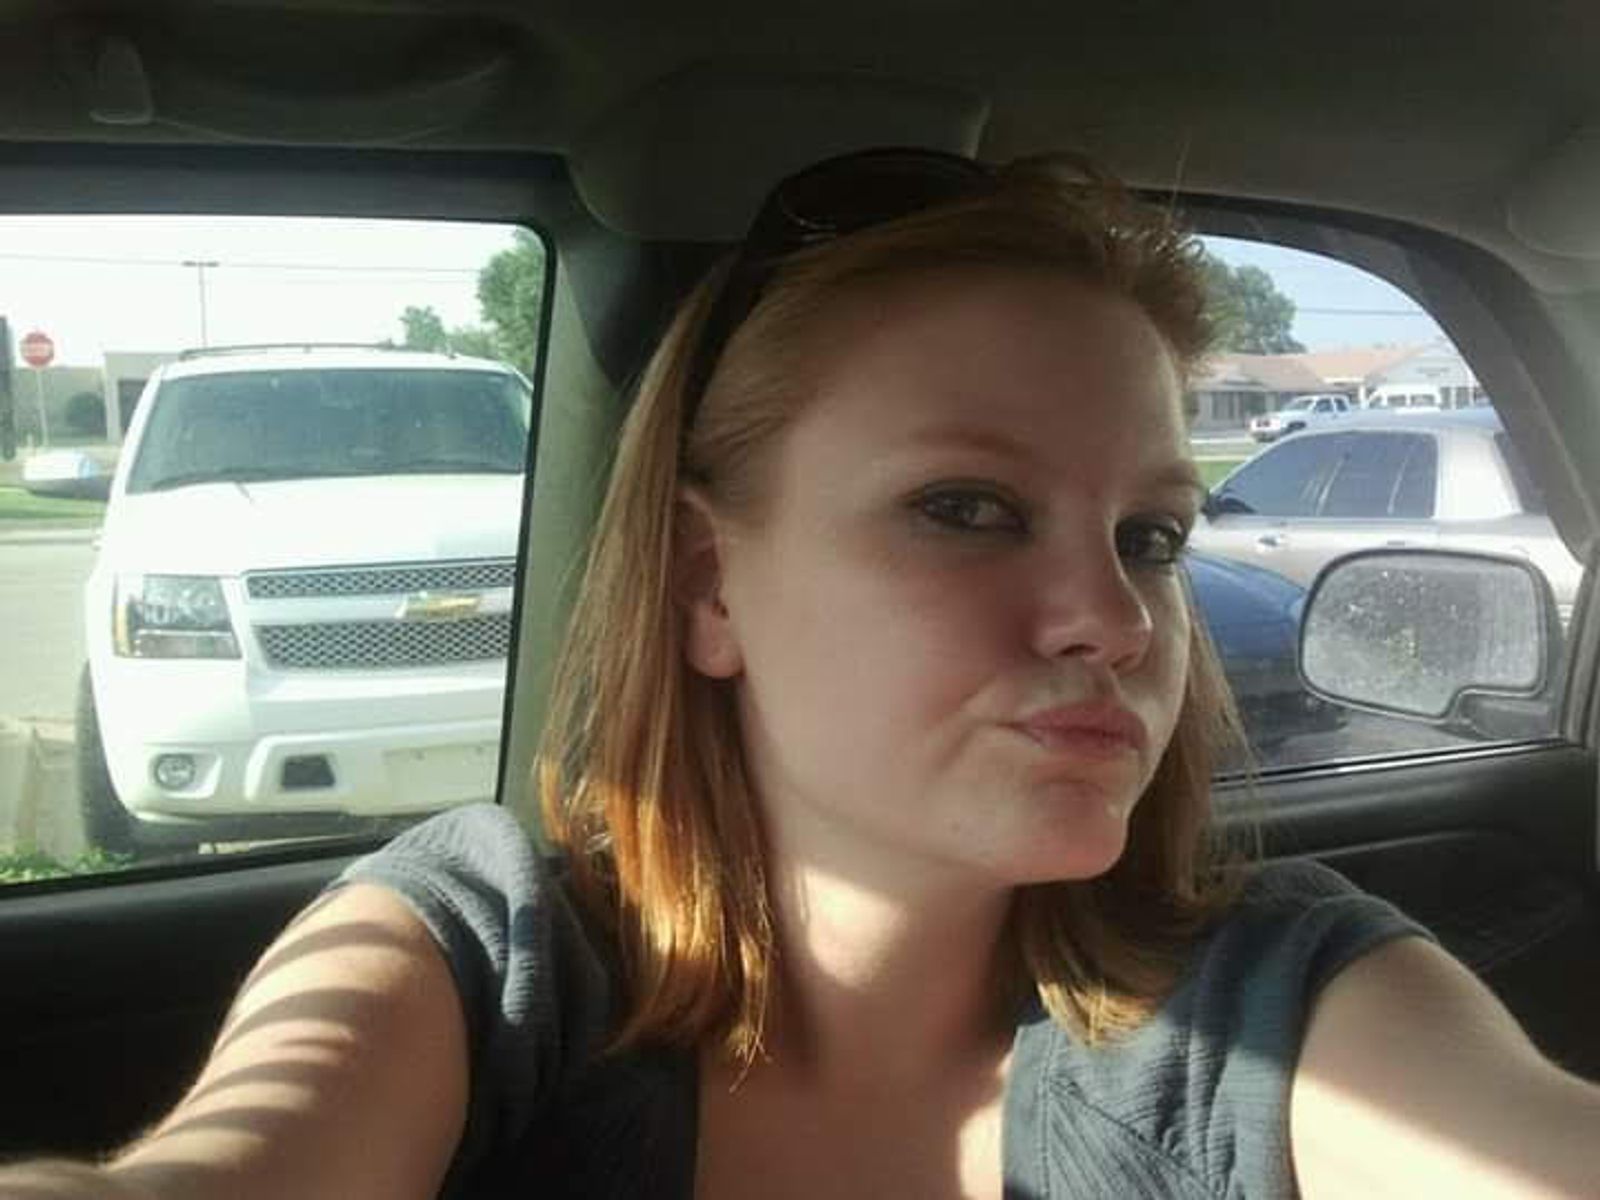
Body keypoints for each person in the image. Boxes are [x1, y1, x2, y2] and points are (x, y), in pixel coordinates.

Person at [5, 149, 1598, 1200]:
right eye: (966, 509)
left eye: (1153, 536)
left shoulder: (1276, 999)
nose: (1113, 621)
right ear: (710, 584)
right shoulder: (485, 964)